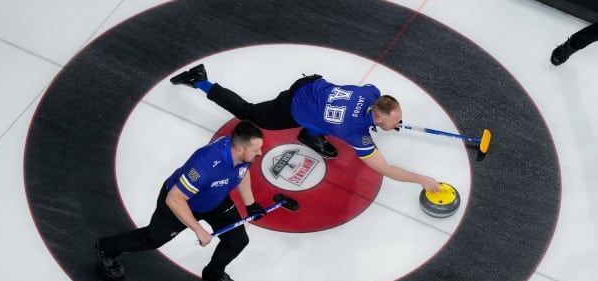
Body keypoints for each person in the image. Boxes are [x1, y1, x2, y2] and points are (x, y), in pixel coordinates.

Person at [170, 64, 440, 192]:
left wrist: (390, 122)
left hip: (313, 85)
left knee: (323, 121)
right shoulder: (355, 134)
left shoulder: (372, 93)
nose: (398, 124)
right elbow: (384, 168)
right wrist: (421, 180)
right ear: (378, 120)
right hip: (293, 105)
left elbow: (364, 109)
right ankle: (200, 81)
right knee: (249, 113)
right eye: (394, 122)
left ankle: (310, 135)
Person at [94, 121, 266, 281]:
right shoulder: (205, 165)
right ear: (239, 149)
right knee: (152, 239)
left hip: (215, 199)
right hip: (182, 203)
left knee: (237, 240)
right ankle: (107, 248)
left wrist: (250, 204)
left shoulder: (243, 155)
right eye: (256, 150)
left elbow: (242, 172)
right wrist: (198, 230)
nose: (260, 153)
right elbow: (174, 199)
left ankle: (213, 275)